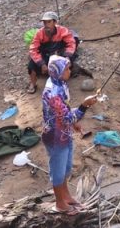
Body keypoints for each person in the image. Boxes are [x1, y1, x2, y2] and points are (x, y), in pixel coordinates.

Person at [41, 55, 98, 215]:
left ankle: (66, 196)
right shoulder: (54, 93)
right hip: (55, 136)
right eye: (66, 68)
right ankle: (60, 204)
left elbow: (64, 110)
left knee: (65, 168)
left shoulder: (59, 83)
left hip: (64, 132)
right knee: (58, 171)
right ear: (58, 71)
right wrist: (84, 105)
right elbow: (66, 116)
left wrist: (74, 124)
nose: (69, 70)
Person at [27, 11, 77, 94]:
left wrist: (67, 57)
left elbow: (71, 43)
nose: (46, 24)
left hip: (59, 53)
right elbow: (33, 49)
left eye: (49, 22)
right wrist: (42, 64)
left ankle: (62, 84)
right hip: (45, 54)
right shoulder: (39, 33)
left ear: (55, 22)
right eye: (44, 22)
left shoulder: (63, 31)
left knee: (66, 64)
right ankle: (33, 83)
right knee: (31, 65)